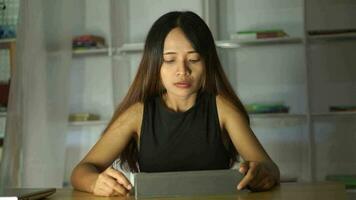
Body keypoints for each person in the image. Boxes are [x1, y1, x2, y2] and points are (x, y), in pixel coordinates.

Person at [71, 11, 280, 197]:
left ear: (207, 63)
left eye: (194, 59)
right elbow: (81, 171)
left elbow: (270, 168)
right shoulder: (138, 114)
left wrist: (263, 173)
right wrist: (95, 183)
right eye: (170, 60)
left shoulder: (223, 109)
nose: (182, 71)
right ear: (155, 65)